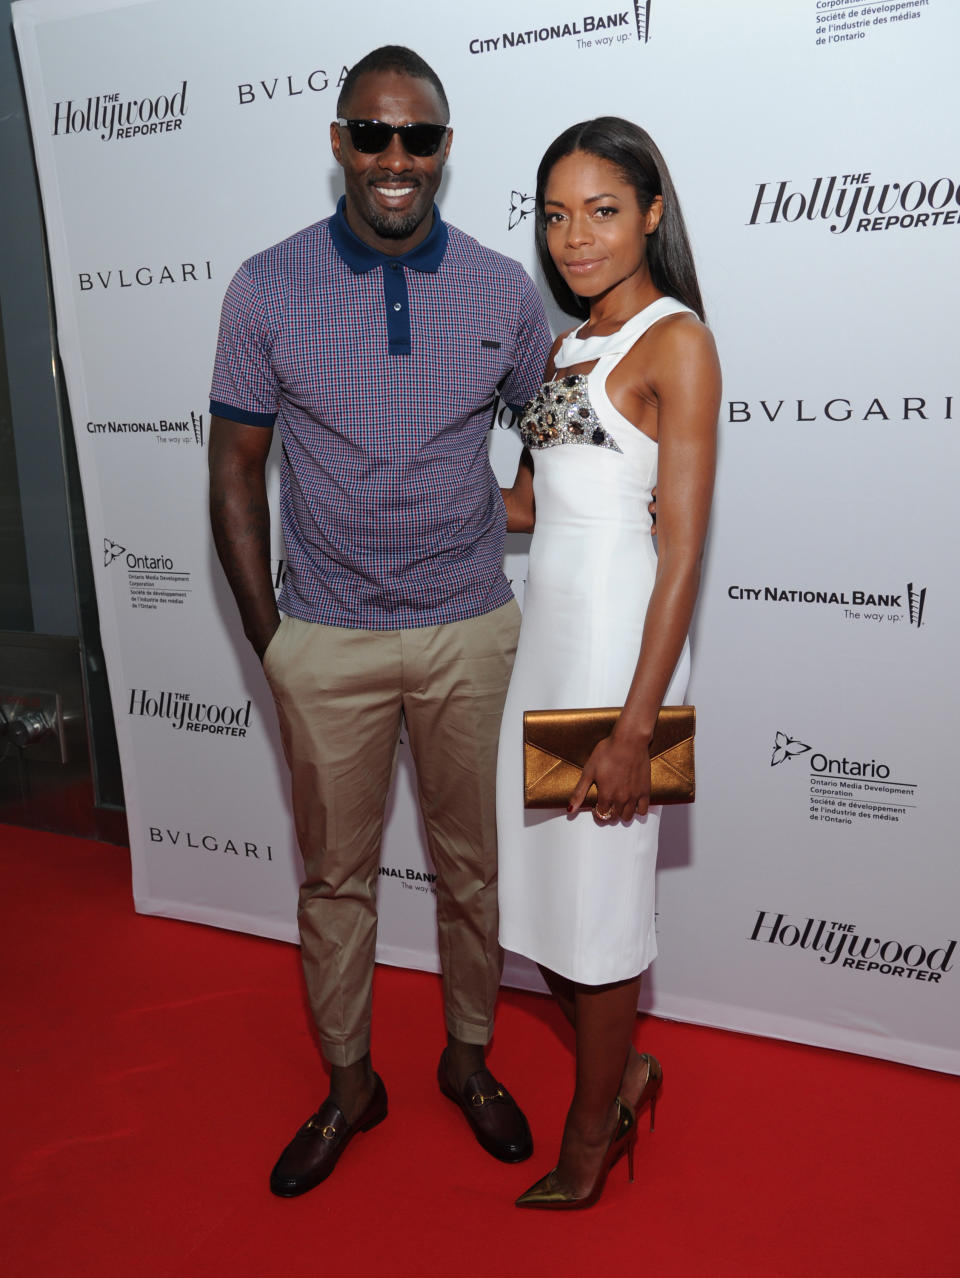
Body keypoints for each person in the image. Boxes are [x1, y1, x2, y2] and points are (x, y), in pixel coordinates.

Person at [207, 45, 552, 1197]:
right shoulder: (266, 287)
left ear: (445, 149)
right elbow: (233, 474)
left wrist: (506, 505)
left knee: (471, 868)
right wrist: (276, 643)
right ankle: (351, 1083)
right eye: (371, 134)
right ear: (340, 143)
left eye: (417, 138)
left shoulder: (506, 287)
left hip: (469, 628)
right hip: (329, 639)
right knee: (335, 881)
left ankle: (467, 1059)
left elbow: (557, 436)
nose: (393, 158)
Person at [497, 117, 721, 1209]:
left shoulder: (677, 341)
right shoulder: (563, 345)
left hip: (623, 654)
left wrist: (639, 726)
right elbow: (529, 508)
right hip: (548, 643)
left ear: (651, 215)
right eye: (554, 215)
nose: (573, 237)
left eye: (600, 211)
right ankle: (624, 1070)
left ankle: (592, 1133)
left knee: (601, 905)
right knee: (544, 899)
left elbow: (681, 552)